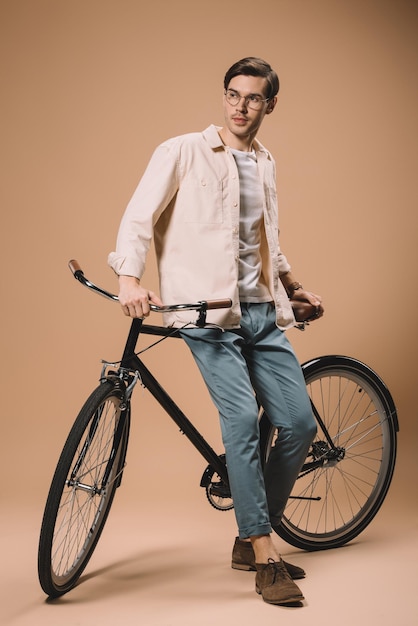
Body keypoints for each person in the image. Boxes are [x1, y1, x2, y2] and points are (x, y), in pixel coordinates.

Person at [108, 57, 323, 606]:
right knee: (241, 425)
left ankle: (251, 534)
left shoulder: (266, 161)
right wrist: (130, 277)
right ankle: (263, 550)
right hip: (206, 314)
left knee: (297, 422)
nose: (240, 106)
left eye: (253, 98)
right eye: (233, 94)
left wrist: (292, 285)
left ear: (270, 104)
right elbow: (139, 216)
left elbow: (265, 237)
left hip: (259, 311)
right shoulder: (182, 151)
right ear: (224, 96)